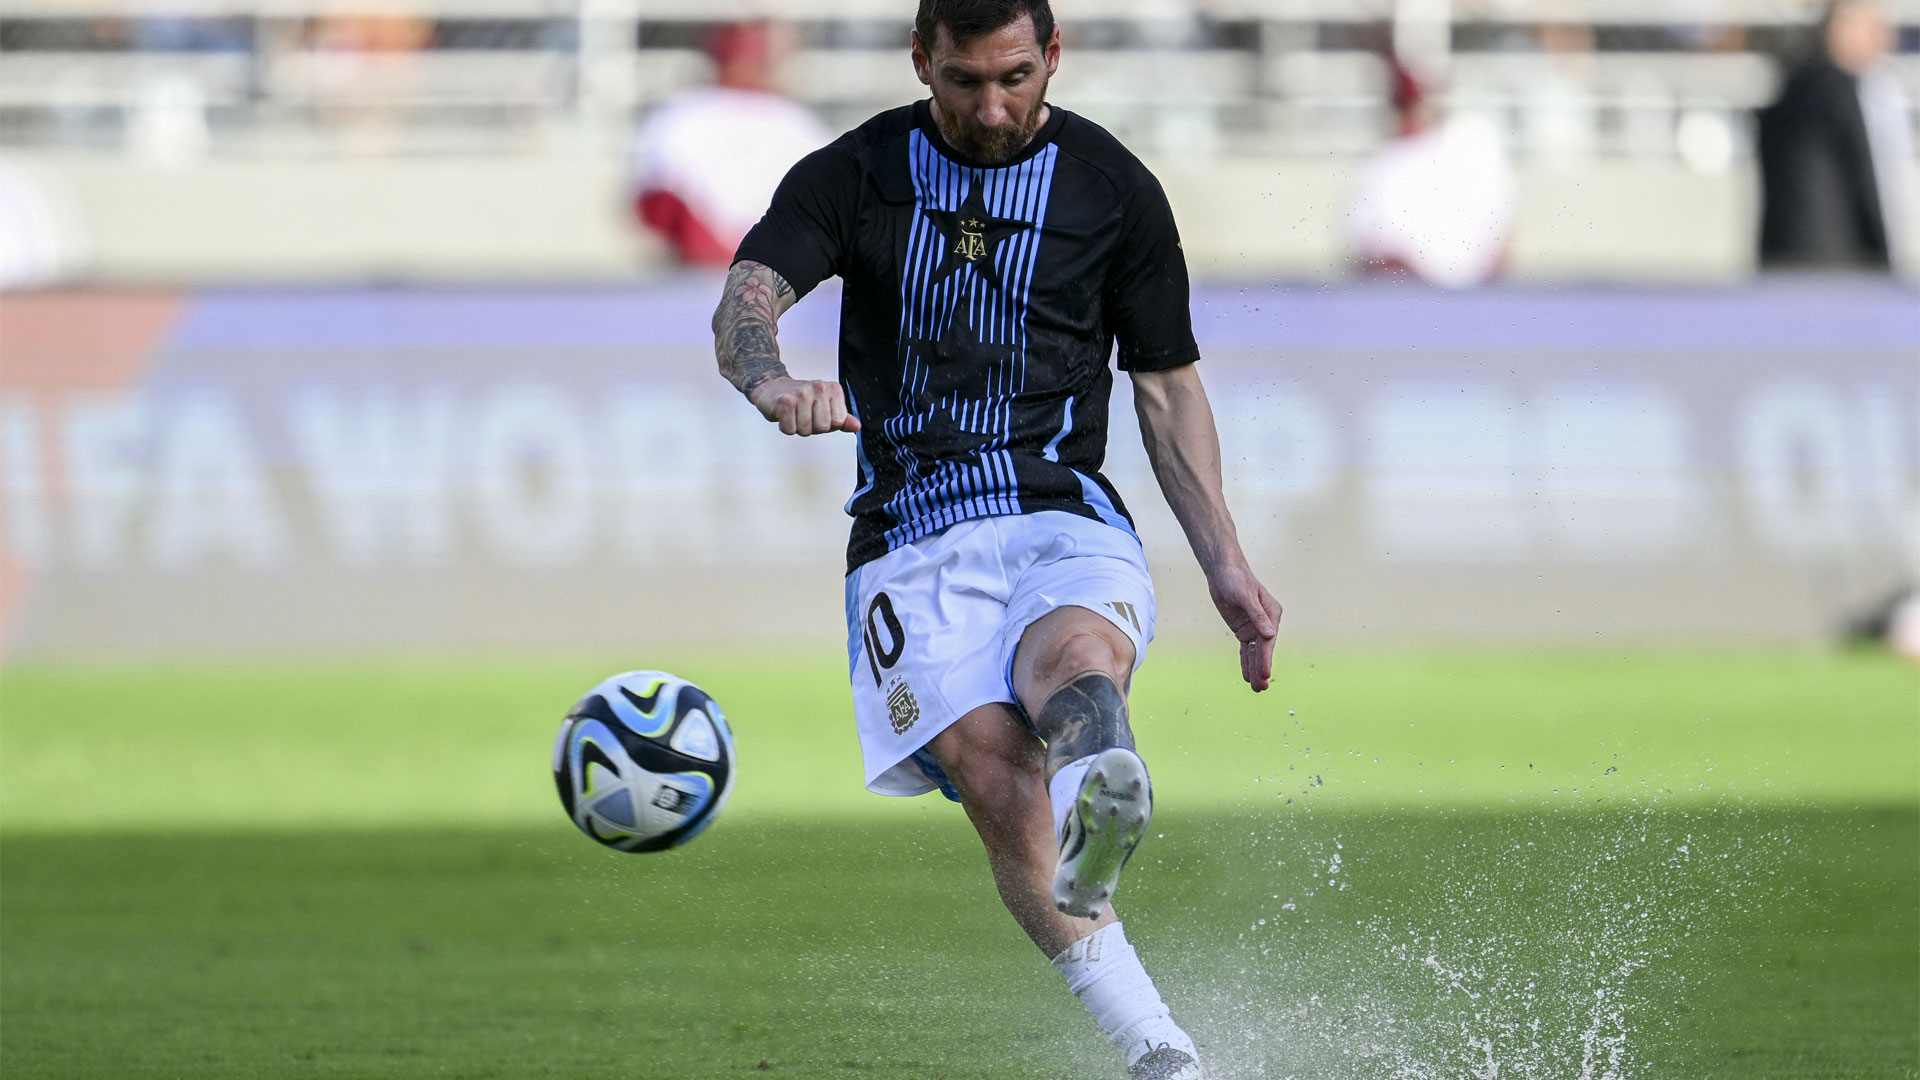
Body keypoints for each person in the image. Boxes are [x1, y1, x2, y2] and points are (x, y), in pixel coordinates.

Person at [708, 2, 1281, 1076]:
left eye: (1015, 76)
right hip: (906, 537)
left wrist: (1226, 564)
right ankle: (1161, 1044)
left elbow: (1163, 385)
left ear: (1054, 55)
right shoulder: (858, 172)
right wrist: (770, 378)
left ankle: (1102, 777)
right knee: (993, 773)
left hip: (1057, 508)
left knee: (1073, 661)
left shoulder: (1112, 190)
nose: (993, 106)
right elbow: (747, 296)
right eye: (964, 81)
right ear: (920, 59)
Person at [630, 21, 831, 266]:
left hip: (783, 278)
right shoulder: (681, 116)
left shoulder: (797, 122)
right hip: (697, 276)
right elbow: (658, 205)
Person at [1757, 0, 1913, 272]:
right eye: (1873, 28)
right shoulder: (1835, 93)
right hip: (1835, 272)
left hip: (1786, 266)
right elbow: (1868, 184)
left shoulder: (1793, 85)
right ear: (1841, 29)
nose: (1886, 39)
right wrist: (1886, 261)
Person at [1345, 57, 1515, 287]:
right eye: (1404, 106)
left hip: (1473, 298)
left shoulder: (1472, 145)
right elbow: (1367, 254)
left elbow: (1501, 243)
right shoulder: (1378, 167)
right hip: (1409, 299)